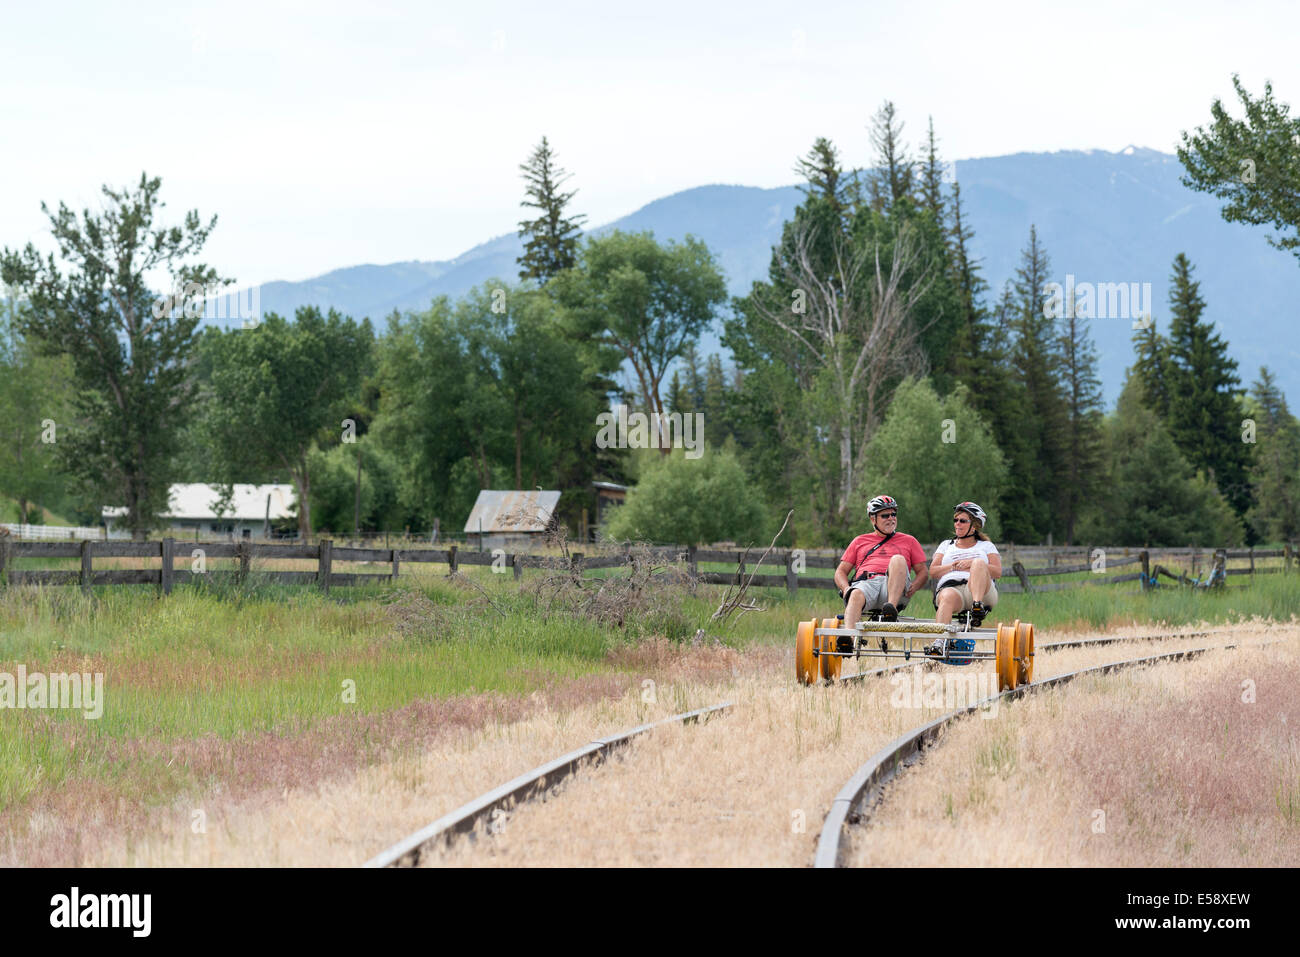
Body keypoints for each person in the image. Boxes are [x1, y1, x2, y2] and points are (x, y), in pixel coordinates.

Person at [834, 495, 929, 629]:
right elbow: (840, 571)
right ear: (873, 519)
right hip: (867, 584)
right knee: (855, 593)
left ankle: (890, 610)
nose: (891, 518)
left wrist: (914, 586)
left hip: (893, 587)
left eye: (893, 514)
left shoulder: (909, 540)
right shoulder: (859, 541)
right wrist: (846, 589)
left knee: (897, 559)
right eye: (885, 516)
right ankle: (848, 639)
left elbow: (923, 572)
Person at [927, 501, 1001, 653]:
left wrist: (972, 564)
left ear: (974, 526)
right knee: (946, 596)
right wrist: (953, 566)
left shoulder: (986, 546)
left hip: (980, 590)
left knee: (979, 563)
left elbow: (997, 571)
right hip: (953, 589)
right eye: (956, 520)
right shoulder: (946, 545)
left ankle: (977, 606)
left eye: (962, 521)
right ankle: (939, 642)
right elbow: (933, 571)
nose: (957, 524)